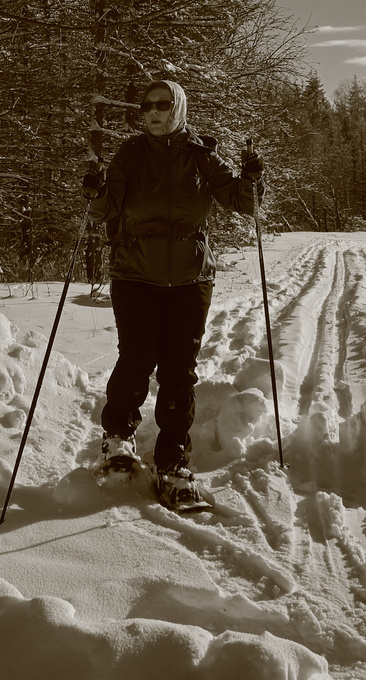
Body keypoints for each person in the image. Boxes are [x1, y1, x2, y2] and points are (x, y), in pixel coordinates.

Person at [79, 78, 264, 508]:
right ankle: (118, 439)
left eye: (163, 104)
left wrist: (252, 177)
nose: (154, 113)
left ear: (178, 107)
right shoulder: (130, 153)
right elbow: (102, 211)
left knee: (179, 370)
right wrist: (95, 190)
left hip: (190, 278)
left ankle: (173, 463)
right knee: (138, 358)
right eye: (146, 107)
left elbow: (243, 202)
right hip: (135, 273)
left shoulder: (200, 154)